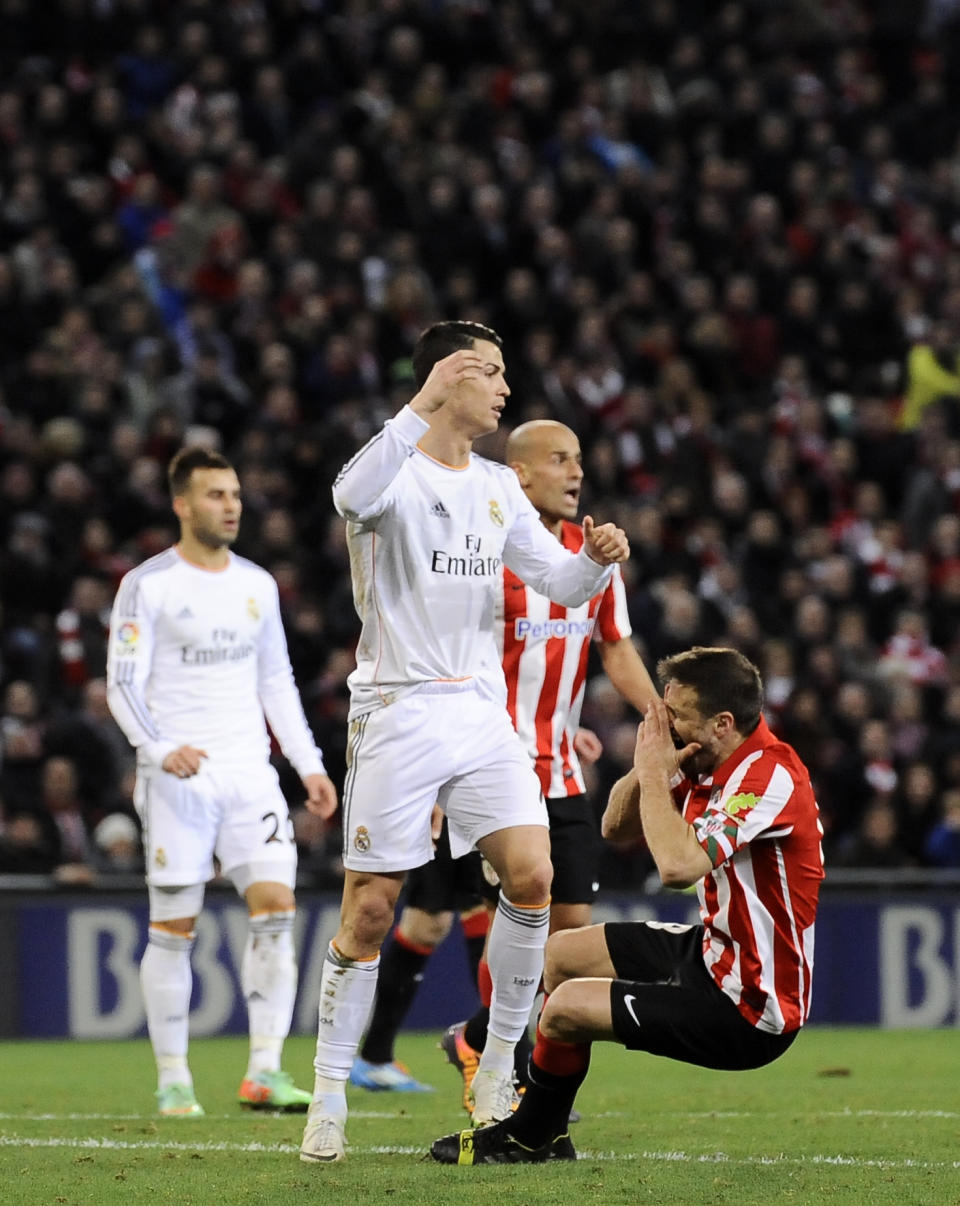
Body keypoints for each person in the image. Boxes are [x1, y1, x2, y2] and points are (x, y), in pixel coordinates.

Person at [300, 320, 630, 1164]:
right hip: (399, 708)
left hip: (481, 710)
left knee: (533, 874)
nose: (505, 390)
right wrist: (423, 399)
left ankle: (497, 1066)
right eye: (490, 374)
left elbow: (554, 582)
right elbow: (346, 496)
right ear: (448, 376)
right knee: (371, 911)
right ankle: (330, 1091)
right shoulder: (390, 470)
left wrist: (593, 562)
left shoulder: (494, 484)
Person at [348, 419, 658, 1100]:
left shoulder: (586, 556)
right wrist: (432, 767)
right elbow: (452, 657)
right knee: (470, 917)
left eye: (580, 458)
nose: (576, 472)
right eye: (559, 459)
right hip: (480, 768)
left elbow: (611, 645)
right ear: (519, 475)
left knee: (569, 935)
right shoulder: (487, 555)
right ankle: (499, 1068)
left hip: (559, 767)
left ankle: (481, 1041)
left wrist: (654, 715)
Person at [431, 645, 824, 1164]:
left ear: (723, 723)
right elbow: (614, 828)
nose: (663, 722)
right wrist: (648, 767)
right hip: (714, 952)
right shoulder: (706, 756)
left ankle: (528, 1134)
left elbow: (678, 868)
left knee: (566, 1009)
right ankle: (536, 1116)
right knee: (561, 954)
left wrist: (657, 774)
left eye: (676, 714)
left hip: (752, 1003)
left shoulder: (767, 776)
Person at [106, 446, 338, 1118]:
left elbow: (276, 682)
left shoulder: (258, 584)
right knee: (174, 927)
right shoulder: (148, 584)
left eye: (235, 494)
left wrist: (310, 765)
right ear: (181, 504)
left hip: (250, 776)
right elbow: (121, 683)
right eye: (215, 495)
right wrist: (158, 746)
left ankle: (264, 1071)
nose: (231, 505)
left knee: (276, 909)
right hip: (180, 775)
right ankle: (174, 1077)